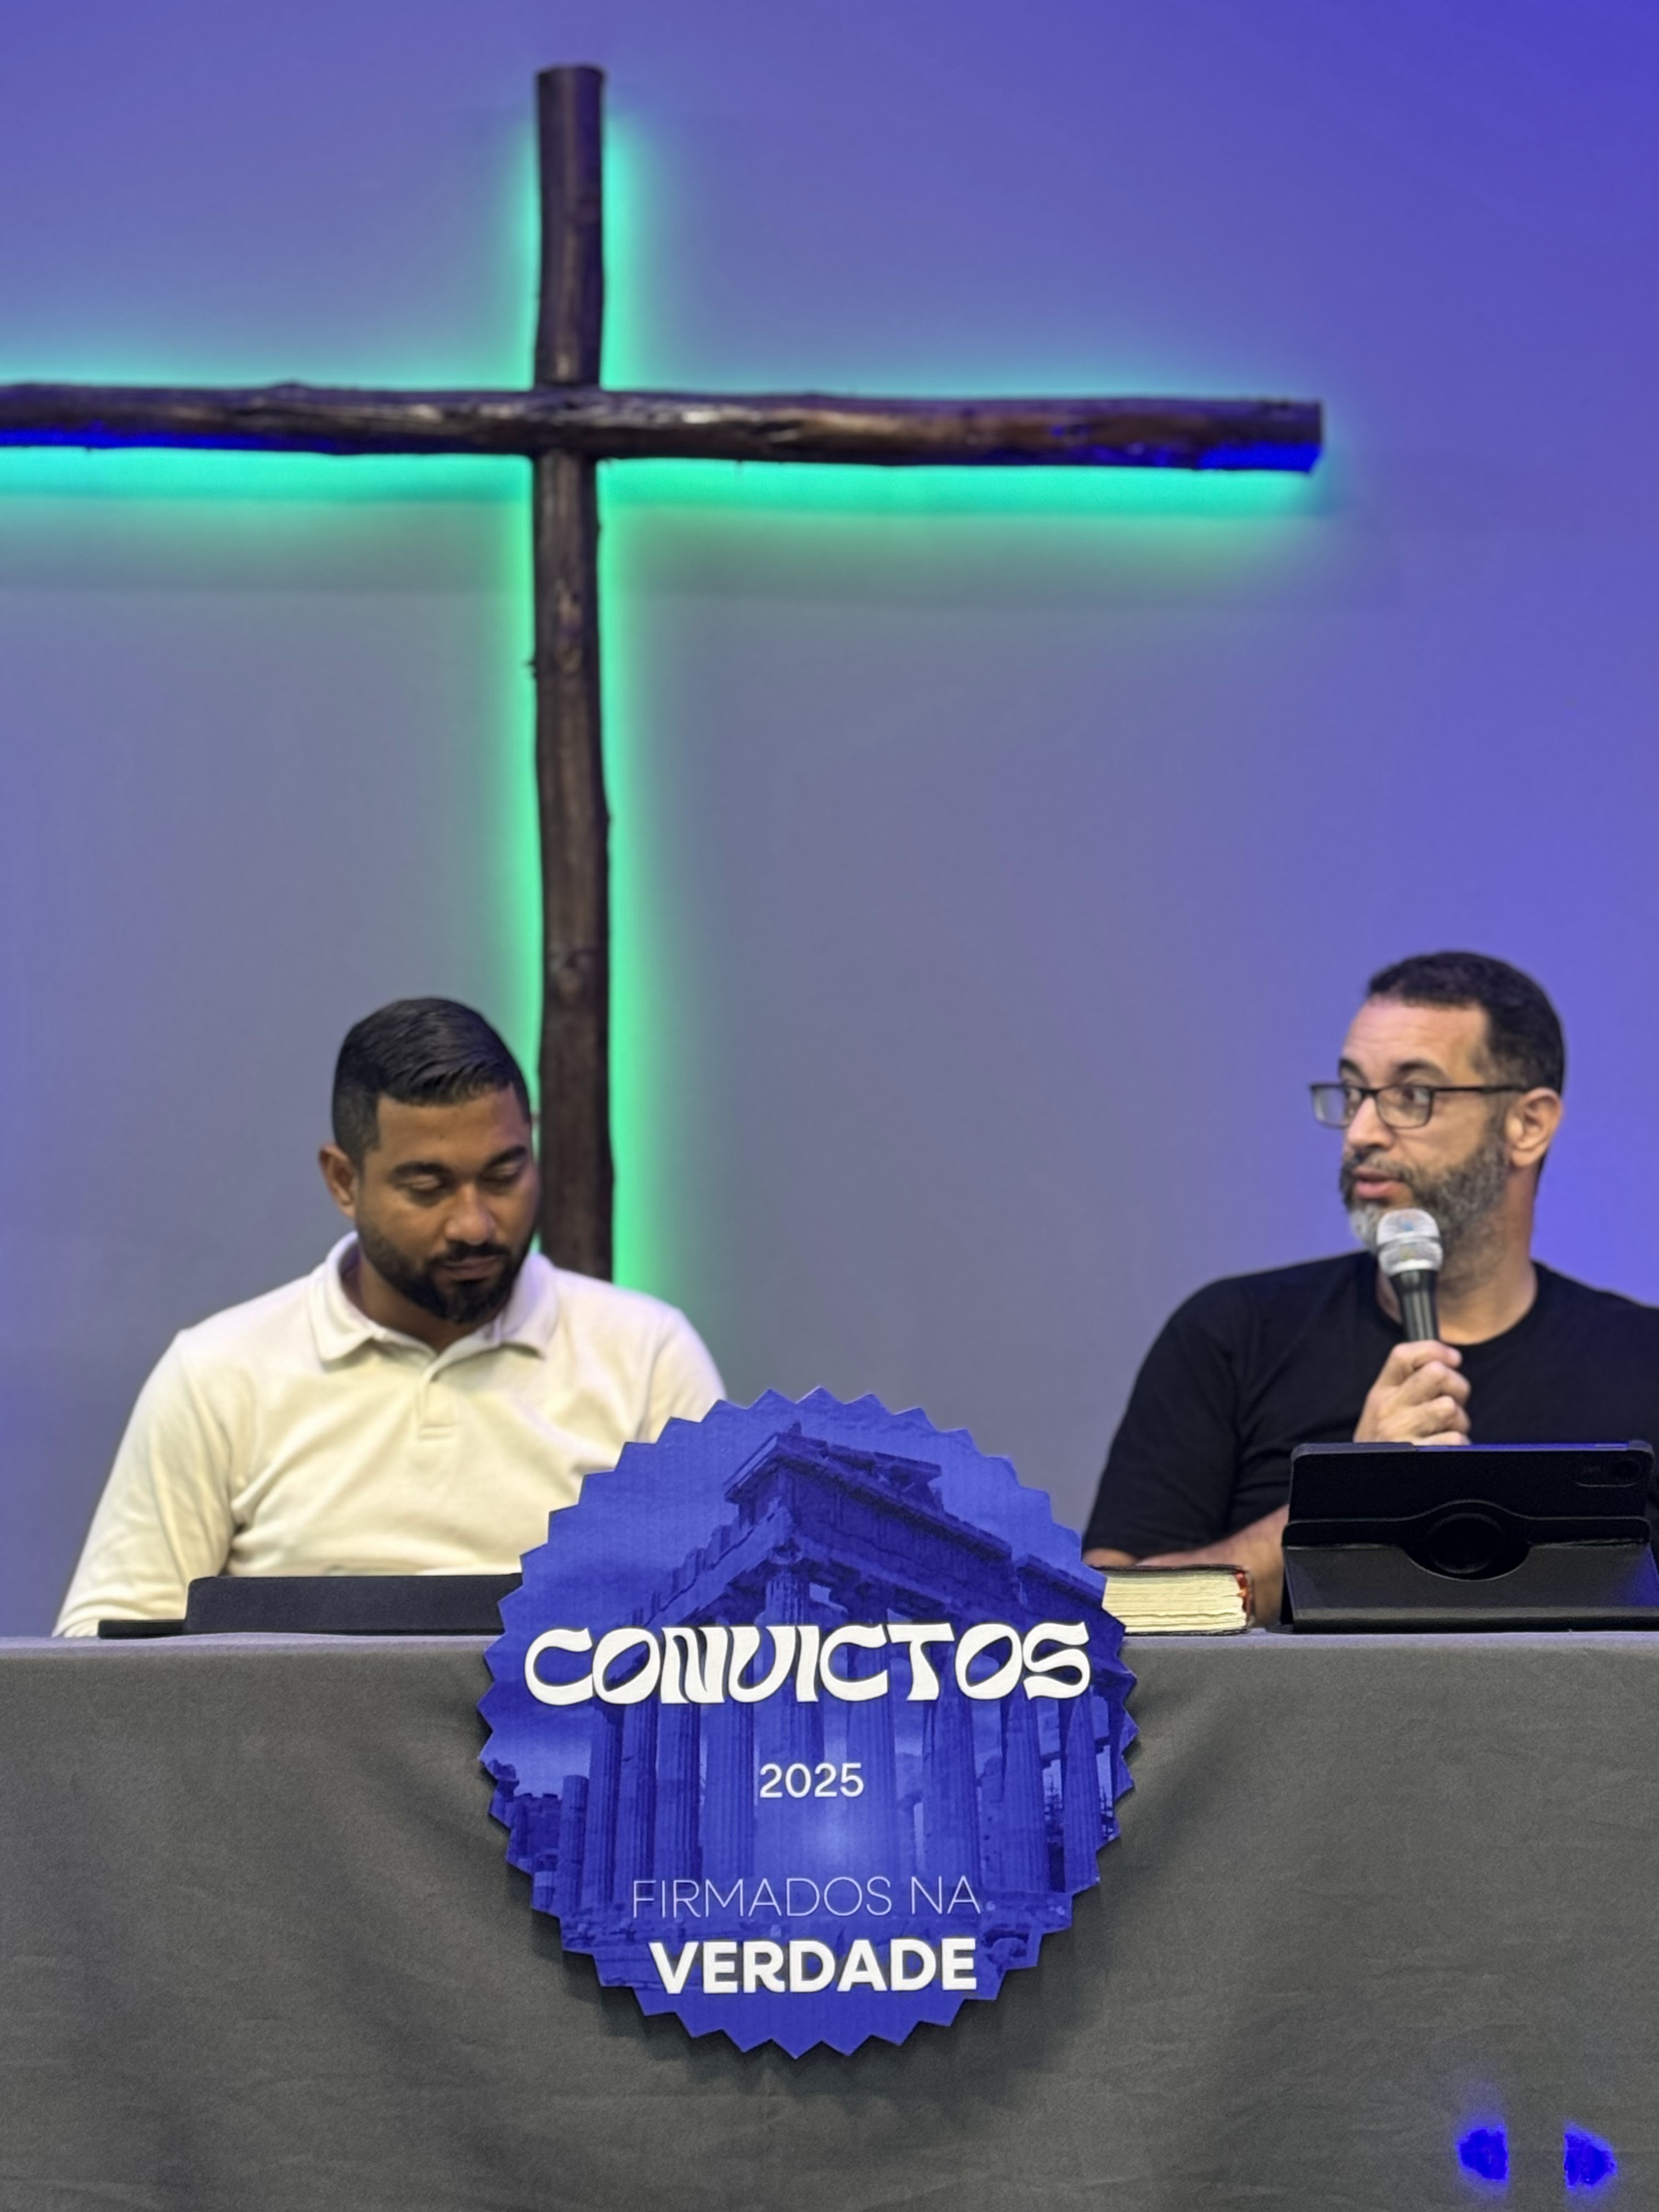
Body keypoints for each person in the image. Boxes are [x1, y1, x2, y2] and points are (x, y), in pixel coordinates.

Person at [56, 998, 724, 1634]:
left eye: (503, 1176)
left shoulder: (646, 1357)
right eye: (428, 1188)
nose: (474, 1224)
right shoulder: (218, 1375)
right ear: (344, 1181)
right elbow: (104, 1647)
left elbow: (736, 1630)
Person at [1082, 951, 1659, 1622]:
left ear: (1527, 1125)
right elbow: (1105, 1615)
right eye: (1354, 1092)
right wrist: (1347, 1499)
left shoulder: (1643, 1361)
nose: (1360, 1133)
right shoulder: (1233, 1334)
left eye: (1412, 1097)